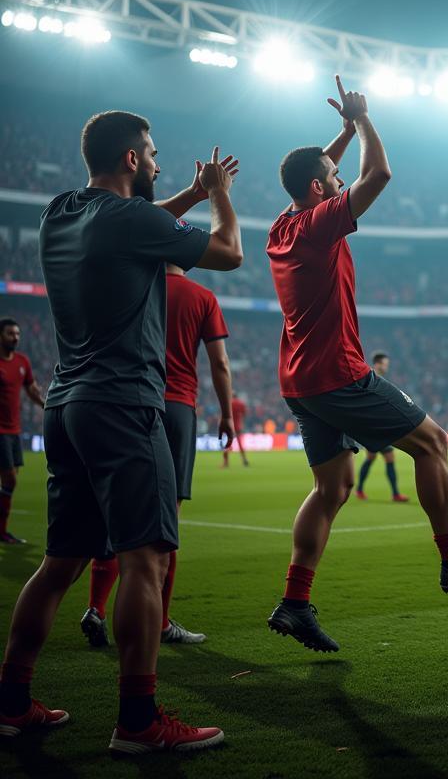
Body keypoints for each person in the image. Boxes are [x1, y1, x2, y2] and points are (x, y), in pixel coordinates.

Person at [0, 113, 242, 752]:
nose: (160, 164)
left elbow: (134, 222)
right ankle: (138, 720)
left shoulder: (62, 211)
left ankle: (11, 701)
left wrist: (184, 197)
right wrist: (217, 194)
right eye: (154, 155)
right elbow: (228, 253)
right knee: (146, 559)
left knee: (59, 565)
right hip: (124, 403)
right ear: (133, 159)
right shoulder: (134, 221)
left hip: (66, 403)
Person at [265, 77, 448, 655]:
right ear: (316, 190)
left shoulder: (283, 224)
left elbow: (321, 169)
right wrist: (369, 122)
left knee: (331, 488)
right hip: (337, 371)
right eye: (331, 179)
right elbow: (379, 176)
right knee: (432, 442)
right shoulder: (319, 222)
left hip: (299, 380)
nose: (338, 181)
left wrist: (345, 130)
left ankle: (295, 603)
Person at [81, 264, 237, 649]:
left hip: (127, 401)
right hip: (177, 407)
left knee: (118, 510)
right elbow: (219, 362)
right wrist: (228, 413)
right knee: (166, 523)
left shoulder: (132, 285)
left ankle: (96, 608)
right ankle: (162, 622)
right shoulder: (203, 297)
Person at [0, 318, 46, 546]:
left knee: (10, 481)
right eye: (10, 333)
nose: (15, 337)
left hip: (14, 430)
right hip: (0, 431)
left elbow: (31, 388)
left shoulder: (22, 361)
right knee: (9, 479)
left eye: (17, 333)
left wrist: (45, 405)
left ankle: (2, 530)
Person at [354, 353, 409, 502]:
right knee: (388, 457)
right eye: (385, 364)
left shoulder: (377, 378)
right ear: (377, 364)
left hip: (374, 426)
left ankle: (359, 490)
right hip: (372, 426)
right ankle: (395, 494)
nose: (387, 366)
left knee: (371, 458)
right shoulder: (371, 378)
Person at [223, 393, 251, 467]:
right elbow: (244, 414)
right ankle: (244, 459)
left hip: (230, 426)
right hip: (238, 426)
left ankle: (226, 462)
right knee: (240, 443)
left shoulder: (229, 403)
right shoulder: (241, 403)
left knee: (228, 443)